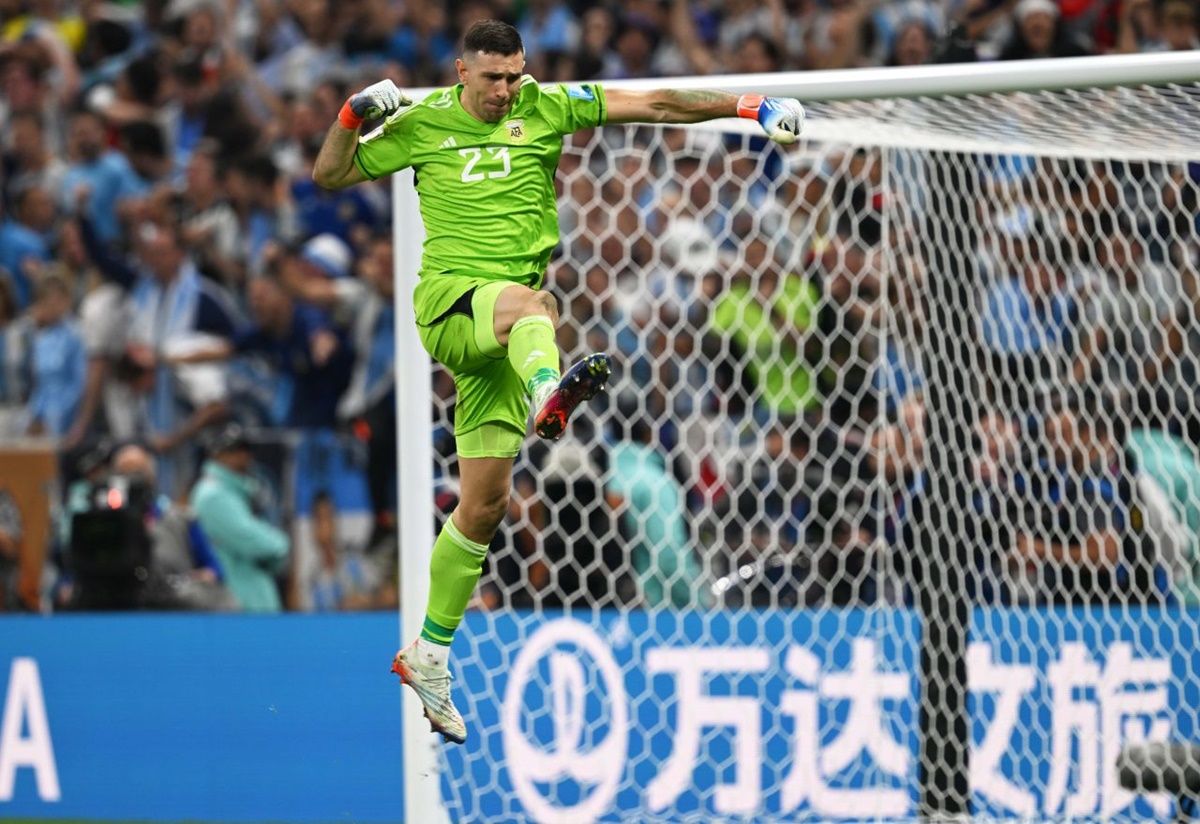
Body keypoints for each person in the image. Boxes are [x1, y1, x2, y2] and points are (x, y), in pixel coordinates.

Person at [311, 19, 804, 744]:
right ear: (461, 72)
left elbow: (656, 103)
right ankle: (551, 391)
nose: (506, 90)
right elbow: (330, 174)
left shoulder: (546, 105)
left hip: (504, 343)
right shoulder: (422, 124)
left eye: (515, 75)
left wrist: (748, 106)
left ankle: (430, 652)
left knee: (484, 506)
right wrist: (353, 116)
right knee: (534, 306)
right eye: (492, 78)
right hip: (453, 305)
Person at [189, 425, 290, 612]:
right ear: (217, 455)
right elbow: (256, 541)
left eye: (245, 450)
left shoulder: (236, 492)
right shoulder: (213, 495)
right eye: (234, 451)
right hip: (236, 601)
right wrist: (280, 543)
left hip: (249, 599)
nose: (244, 456)